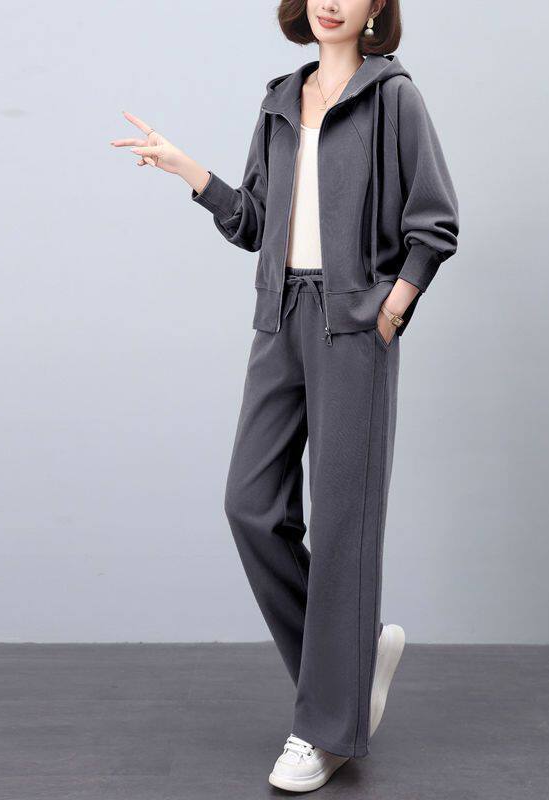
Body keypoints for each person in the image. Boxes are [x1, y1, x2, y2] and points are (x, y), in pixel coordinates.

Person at [111, 0, 459, 792]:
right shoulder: (278, 99)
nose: (331, 1)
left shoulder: (393, 97)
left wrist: (392, 308)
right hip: (279, 319)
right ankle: (350, 668)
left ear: (376, 7)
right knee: (252, 506)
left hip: (353, 326)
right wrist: (188, 170)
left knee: (342, 526)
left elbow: (434, 221)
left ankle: (324, 730)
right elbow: (254, 223)